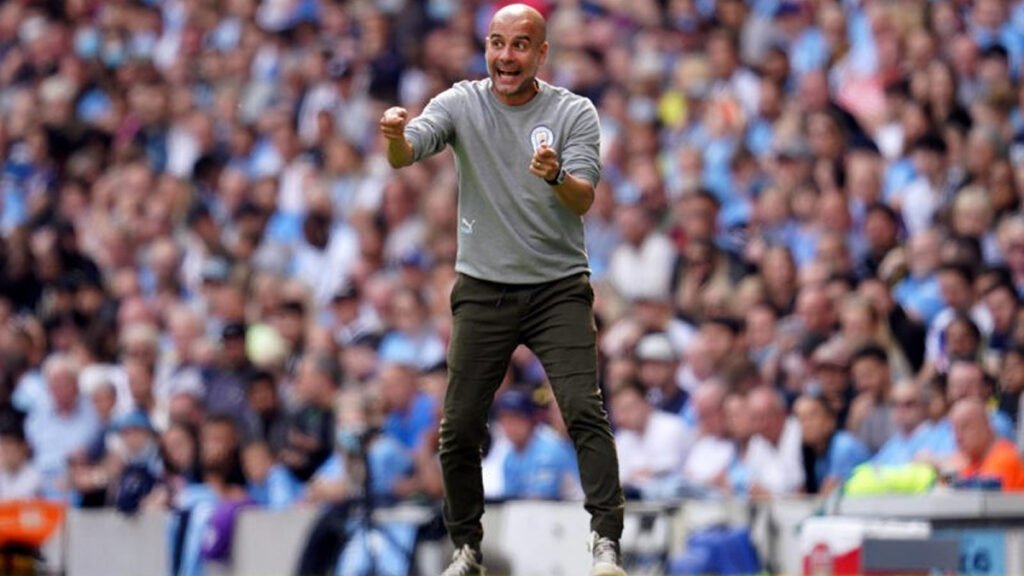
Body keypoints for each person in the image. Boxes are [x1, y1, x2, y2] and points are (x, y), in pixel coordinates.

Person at [378, 4, 626, 575]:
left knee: (583, 410)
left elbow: (584, 196)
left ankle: (606, 541)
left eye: (519, 45)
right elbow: (408, 151)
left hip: (557, 288)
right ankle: (467, 548)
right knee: (459, 425)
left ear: (541, 54)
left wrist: (557, 176)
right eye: (496, 43)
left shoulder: (572, 112)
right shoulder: (460, 103)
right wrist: (393, 136)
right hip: (484, 289)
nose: (505, 56)